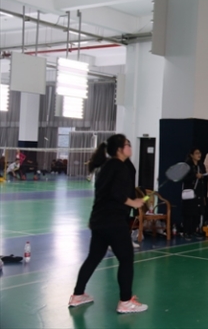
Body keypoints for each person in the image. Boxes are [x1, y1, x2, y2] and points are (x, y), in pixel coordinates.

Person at [68, 134, 148, 314]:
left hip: (99, 221)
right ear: (119, 149)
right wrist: (134, 202)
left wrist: (133, 199)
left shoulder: (107, 166)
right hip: (113, 221)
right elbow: (116, 194)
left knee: (94, 257)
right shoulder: (119, 167)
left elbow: (107, 193)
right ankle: (125, 301)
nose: (130, 147)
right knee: (126, 259)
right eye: (127, 144)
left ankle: (78, 295)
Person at [182, 148, 208, 239]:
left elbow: (204, 176)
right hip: (189, 192)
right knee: (189, 212)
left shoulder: (201, 165)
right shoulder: (187, 165)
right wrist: (194, 176)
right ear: (191, 155)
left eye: (200, 153)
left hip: (199, 191)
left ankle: (195, 230)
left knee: (198, 212)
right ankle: (187, 232)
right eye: (197, 153)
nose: (199, 155)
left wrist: (207, 176)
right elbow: (184, 178)